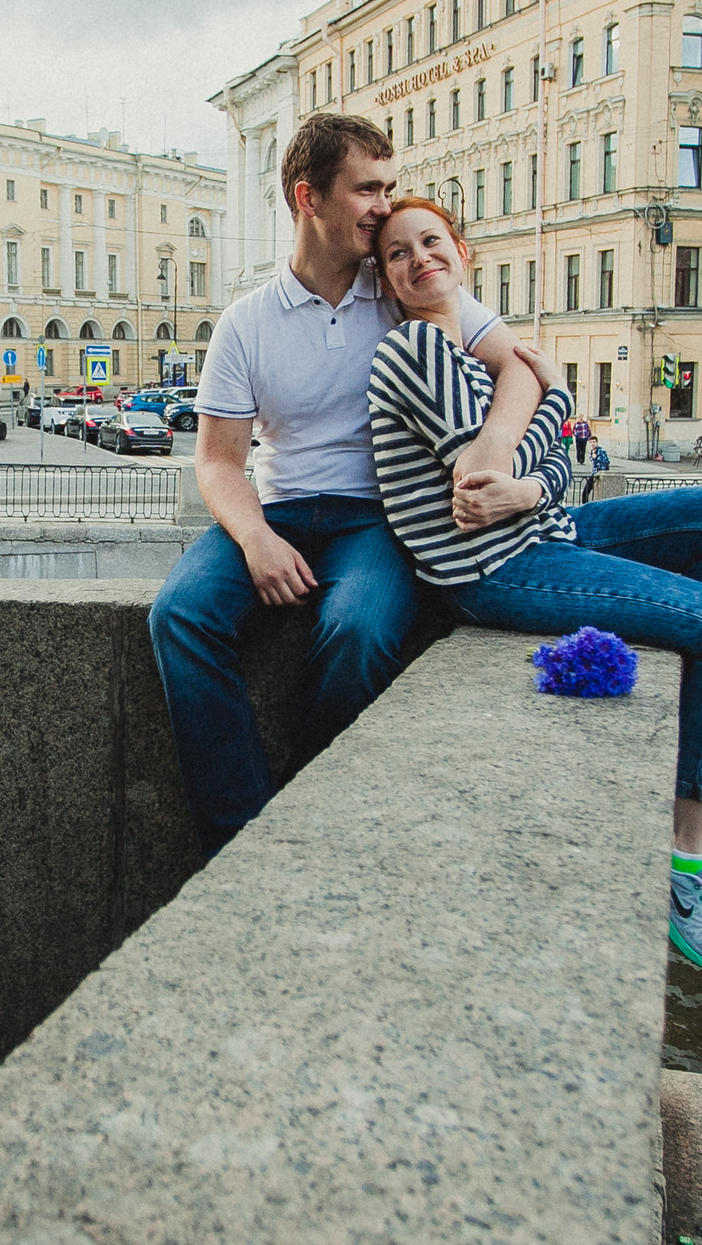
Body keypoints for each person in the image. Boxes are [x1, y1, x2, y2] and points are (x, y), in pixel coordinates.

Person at [366, 197, 702, 973]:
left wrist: (536, 473)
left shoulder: (477, 353)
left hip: (539, 529)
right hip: (496, 568)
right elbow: (486, 479)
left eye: (431, 241)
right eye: (397, 253)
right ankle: (686, 866)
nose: (419, 257)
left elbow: (544, 466)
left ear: (464, 251)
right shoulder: (415, 348)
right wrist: (548, 411)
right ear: (387, 280)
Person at [147, 115, 542, 857]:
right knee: (179, 616)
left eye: (389, 187)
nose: (384, 207)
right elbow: (219, 462)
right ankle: (239, 838)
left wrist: (492, 450)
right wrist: (257, 537)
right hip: (283, 513)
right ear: (309, 198)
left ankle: (301, 815)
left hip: (378, 519)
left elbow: (520, 364)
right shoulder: (246, 323)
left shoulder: (403, 283)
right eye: (367, 189)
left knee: (359, 629)